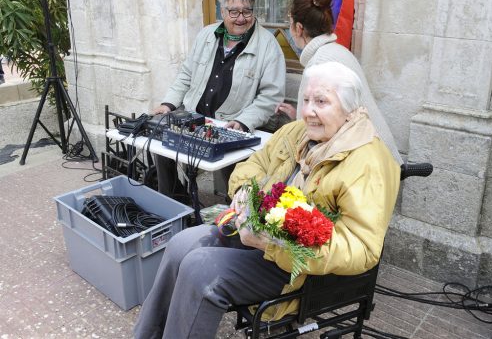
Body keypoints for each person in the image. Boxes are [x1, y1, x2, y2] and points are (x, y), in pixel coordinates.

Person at [134, 61, 401, 338]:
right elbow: (253, 166)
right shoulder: (295, 132)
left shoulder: (367, 161)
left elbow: (362, 249)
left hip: (301, 269)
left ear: (348, 110)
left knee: (200, 270)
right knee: (181, 244)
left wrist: (275, 244)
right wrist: (244, 191)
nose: (308, 111)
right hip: (257, 234)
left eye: (321, 102)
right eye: (306, 100)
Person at [152, 0, 286, 200]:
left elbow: (271, 96)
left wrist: (243, 121)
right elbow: (186, 75)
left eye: (247, 11)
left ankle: (231, 215)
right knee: (161, 144)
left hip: (234, 123)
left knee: (235, 177)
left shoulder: (268, 46)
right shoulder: (207, 34)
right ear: (222, 12)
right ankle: (175, 204)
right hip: (196, 118)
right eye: (234, 12)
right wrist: (168, 104)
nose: (241, 18)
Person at [276, 0, 402, 164]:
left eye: (289, 24)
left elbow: (312, 136)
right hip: (382, 159)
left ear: (298, 28)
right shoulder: (340, 51)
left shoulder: (318, 65)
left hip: (366, 168)